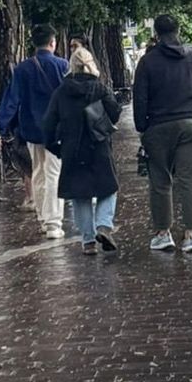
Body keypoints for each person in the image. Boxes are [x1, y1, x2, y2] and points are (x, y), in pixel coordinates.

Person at [131, 13, 192, 254]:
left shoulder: (147, 63)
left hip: (157, 127)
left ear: (156, 34)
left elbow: (140, 98)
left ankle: (163, 233)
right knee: (191, 179)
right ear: (178, 31)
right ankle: (190, 236)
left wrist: (142, 127)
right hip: (189, 125)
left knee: (160, 180)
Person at [43, 44, 122, 252]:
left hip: (72, 149)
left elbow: (48, 124)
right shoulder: (100, 88)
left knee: (80, 195)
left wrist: (56, 148)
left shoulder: (61, 92)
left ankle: (88, 242)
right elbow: (115, 113)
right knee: (108, 188)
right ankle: (103, 225)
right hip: (99, 146)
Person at [0, 24, 68, 237]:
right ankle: (54, 223)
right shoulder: (62, 66)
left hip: (32, 128)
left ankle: (43, 217)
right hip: (57, 129)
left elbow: (11, 100)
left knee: (38, 171)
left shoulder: (22, 69)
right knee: (54, 173)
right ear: (53, 42)